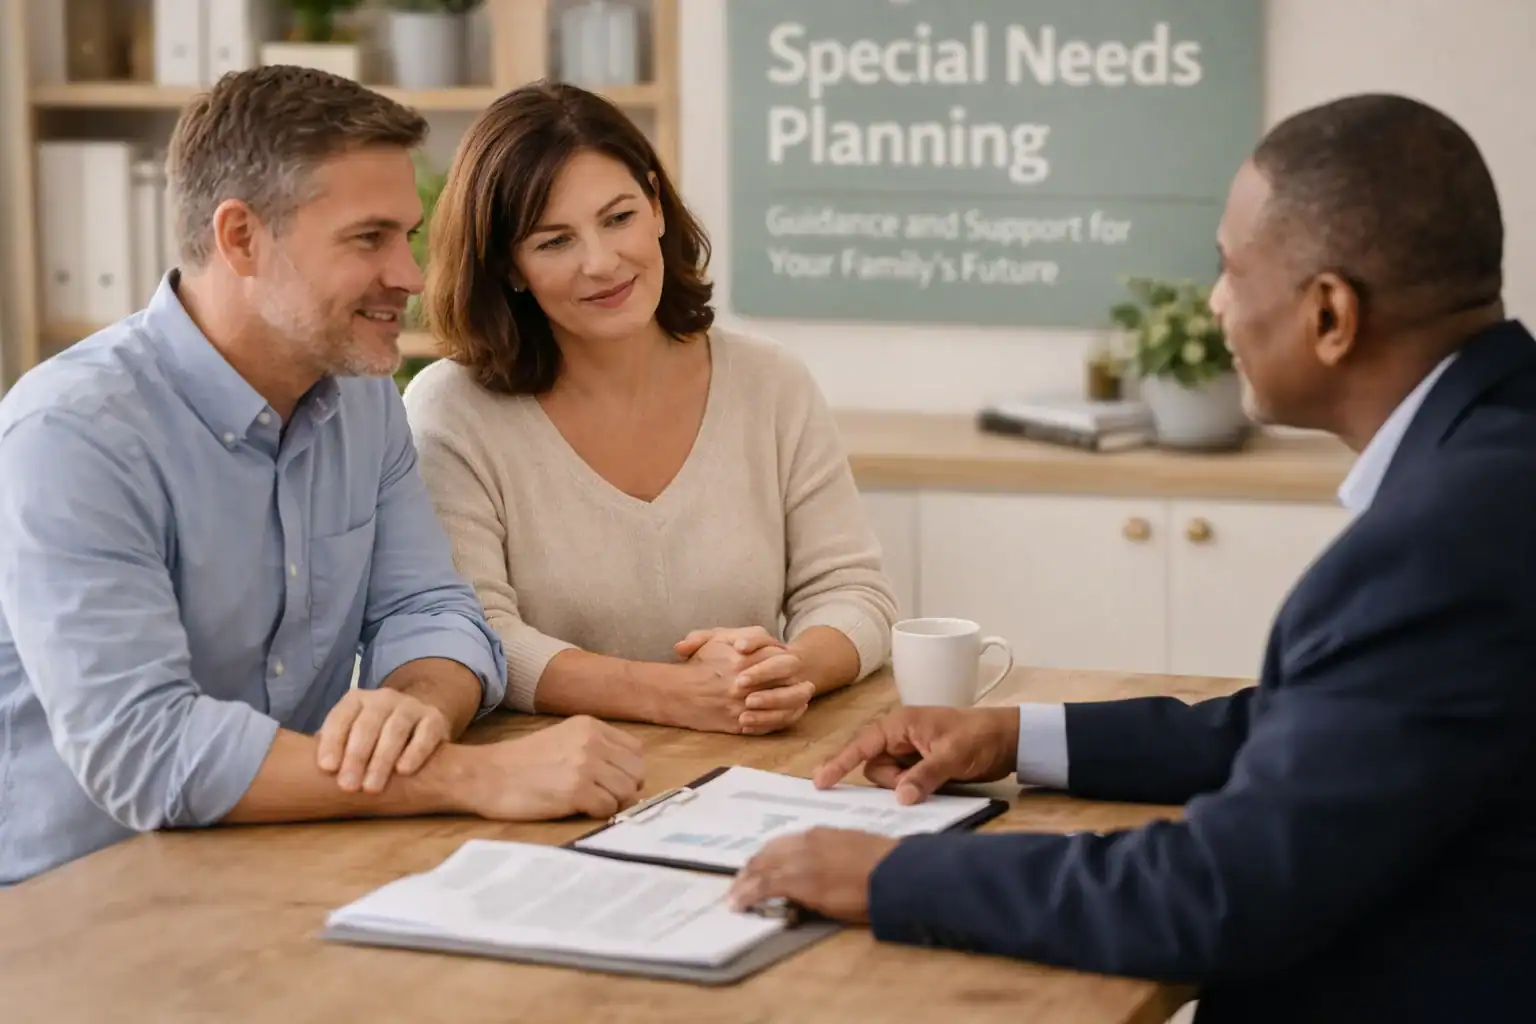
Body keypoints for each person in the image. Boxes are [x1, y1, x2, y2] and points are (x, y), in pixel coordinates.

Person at [727, 93, 1536, 1022]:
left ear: (1330, 315)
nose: (1215, 304)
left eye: (1231, 272)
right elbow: (1319, 730)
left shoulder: (1443, 540)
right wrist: (1016, 737)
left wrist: (898, 875)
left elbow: (1217, 890)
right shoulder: (1496, 458)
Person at [0, 67, 646, 887]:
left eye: (407, 237)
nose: (410, 278)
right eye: (368, 238)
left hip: (288, 869)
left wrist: (414, 709)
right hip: (73, 914)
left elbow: (429, 609)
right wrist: (474, 776)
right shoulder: (72, 434)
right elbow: (144, 750)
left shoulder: (363, 400)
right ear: (240, 239)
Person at [402, 82, 899, 735]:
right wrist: (672, 693)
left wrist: (784, 672)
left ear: (658, 207)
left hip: (751, 765)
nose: (602, 262)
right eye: (554, 242)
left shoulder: (769, 382)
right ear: (510, 268)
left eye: (619, 217)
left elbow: (853, 593)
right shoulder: (451, 411)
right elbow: (476, 635)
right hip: (546, 787)